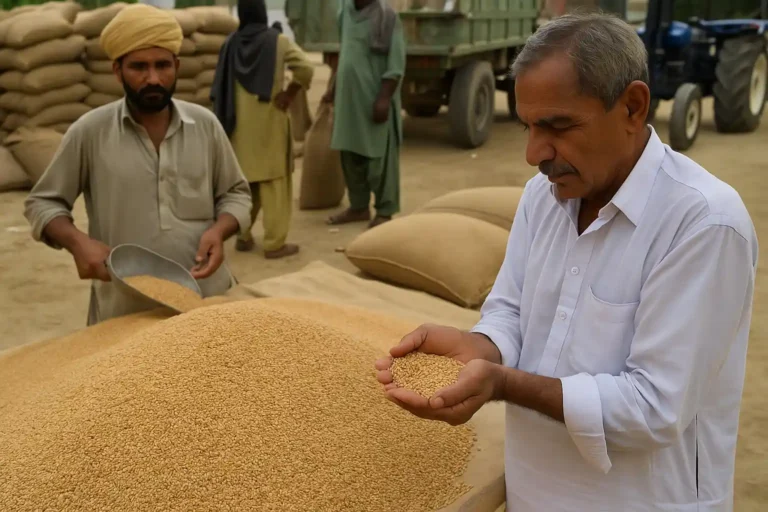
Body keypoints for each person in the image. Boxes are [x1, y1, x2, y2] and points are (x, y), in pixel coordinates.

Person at [375, 13, 757, 512]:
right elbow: (510, 312)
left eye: (558, 126)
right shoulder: (543, 197)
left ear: (633, 107)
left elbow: (655, 408)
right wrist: (480, 347)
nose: (535, 152)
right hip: (534, 492)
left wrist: (501, 383)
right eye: (529, 126)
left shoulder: (703, 222)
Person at [23, 4, 252, 326]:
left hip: (206, 300)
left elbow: (236, 193)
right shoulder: (90, 132)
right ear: (117, 70)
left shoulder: (205, 125)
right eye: (139, 67)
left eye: (163, 65)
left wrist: (219, 230)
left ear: (177, 66)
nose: (153, 78)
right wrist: (78, 243)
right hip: (126, 309)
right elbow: (42, 203)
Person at [211, 0, 313, 258]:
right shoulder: (277, 41)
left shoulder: (230, 44)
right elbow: (306, 67)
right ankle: (274, 243)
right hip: (270, 125)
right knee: (275, 184)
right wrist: (290, 93)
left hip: (239, 128)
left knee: (246, 184)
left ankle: (243, 237)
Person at [323, 0, 406, 229]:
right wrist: (332, 89)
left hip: (373, 101)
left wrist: (384, 98)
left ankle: (385, 211)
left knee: (378, 161)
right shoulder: (345, 12)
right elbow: (345, 52)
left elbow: (396, 65)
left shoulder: (388, 18)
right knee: (350, 157)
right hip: (348, 102)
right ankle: (358, 207)